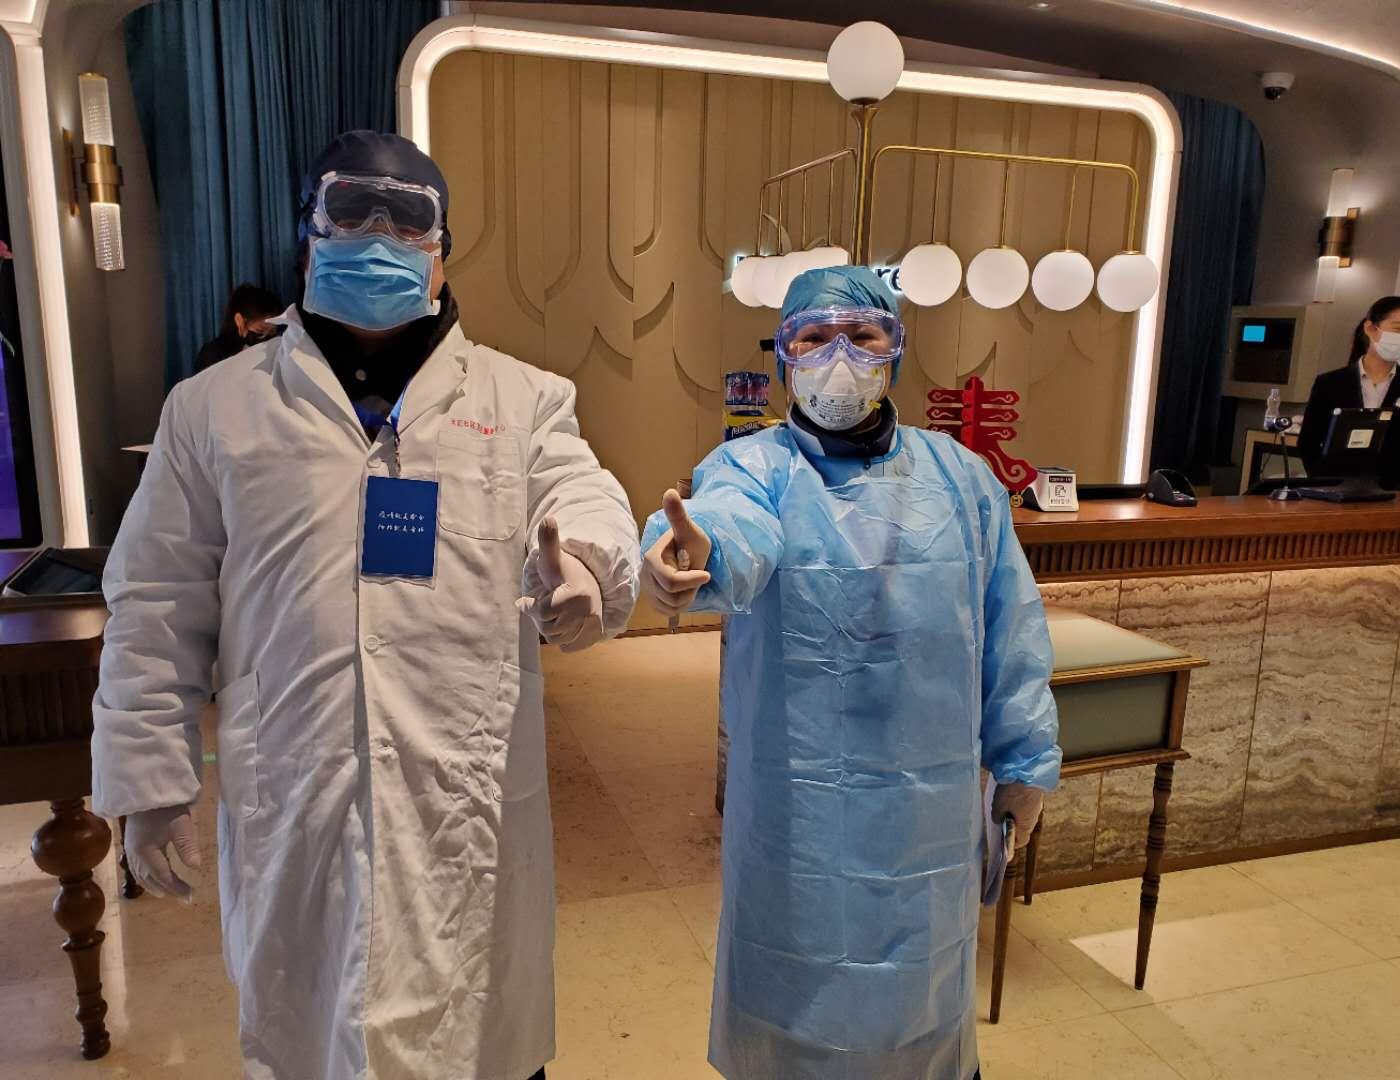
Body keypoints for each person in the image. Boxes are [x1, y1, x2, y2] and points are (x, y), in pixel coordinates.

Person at [91, 130, 640, 1080]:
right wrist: (148, 782)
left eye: (408, 219)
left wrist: (590, 564)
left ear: (443, 252)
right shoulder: (212, 408)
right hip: (296, 789)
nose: (379, 236)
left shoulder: (525, 398)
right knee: (315, 1033)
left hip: (463, 800)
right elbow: (154, 601)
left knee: (478, 1037)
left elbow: (581, 490)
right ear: (308, 235)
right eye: (351, 212)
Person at [640, 266, 1059, 1080]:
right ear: (784, 357)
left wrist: (1024, 762)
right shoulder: (753, 469)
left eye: (863, 336)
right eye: (814, 337)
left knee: (921, 1000)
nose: (840, 357)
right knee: (797, 992)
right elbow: (729, 528)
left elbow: (1011, 626)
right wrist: (692, 554)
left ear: (894, 352)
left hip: (926, 810)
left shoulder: (960, 477)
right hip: (799, 809)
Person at [1299, 296, 1400, 489]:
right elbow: (1308, 442)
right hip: (1333, 487)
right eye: (1398, 329)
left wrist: (1394, 488)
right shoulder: (1330, 383)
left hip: (1391, 491)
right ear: (1370, 329)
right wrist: (1324, 483)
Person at [193, 283, 283, 373]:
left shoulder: (277, 353)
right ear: (239, 321)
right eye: (261, 330)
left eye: (272, 332)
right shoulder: (213, 353)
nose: (266, 338)